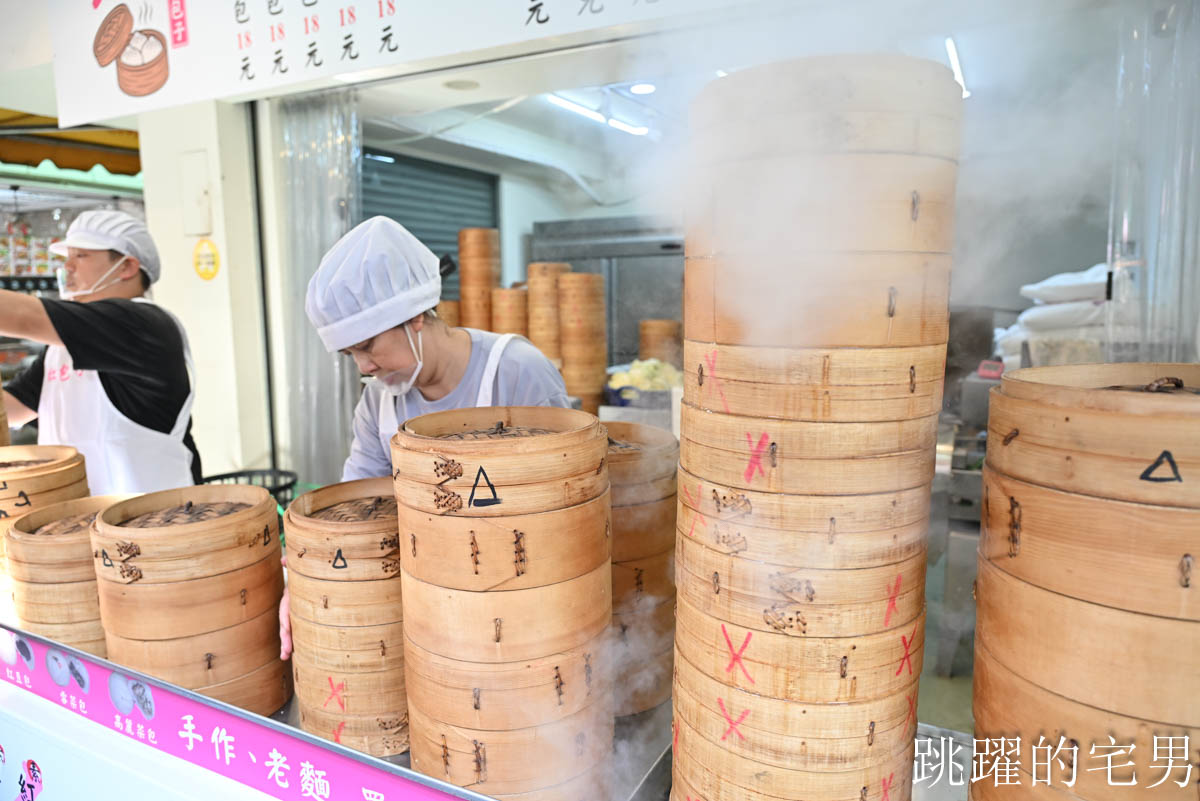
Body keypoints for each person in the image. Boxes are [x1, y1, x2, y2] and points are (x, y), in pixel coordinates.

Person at [278, 215, 570, 659]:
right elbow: (356, 508)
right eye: (349, 354)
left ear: (414, 316)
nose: (363, 367)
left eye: (367, 345)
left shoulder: (516, 373)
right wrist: (306, 576)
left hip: (523, 613)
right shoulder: (379, 403)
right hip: (429, 618)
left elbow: (570, 509)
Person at [0, 210, 201, 494]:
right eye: (67, 257)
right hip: (77, 525)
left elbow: (24, 317)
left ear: (126, 267)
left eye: (81, 256)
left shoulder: (142, 324)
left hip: (157, 524)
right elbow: (14, 409)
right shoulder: (61, 348)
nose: (67, 267)